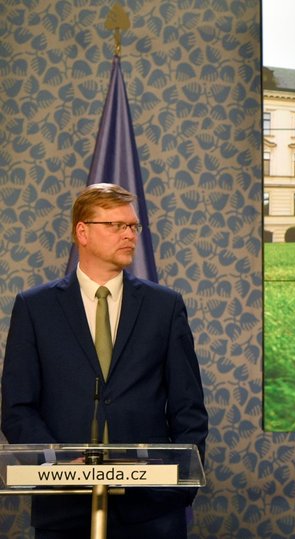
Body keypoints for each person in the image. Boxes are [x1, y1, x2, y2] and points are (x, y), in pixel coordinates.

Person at [1, 183, 208, 539]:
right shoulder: (35, 307)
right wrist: (59, 466)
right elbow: (17, 407)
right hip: (64, 510)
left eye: (133, 226)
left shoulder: (165, 306)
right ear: (82, 231)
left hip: (152, 512)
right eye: (116, 225)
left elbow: (189, 407)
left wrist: (178, 489)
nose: (129, 235)